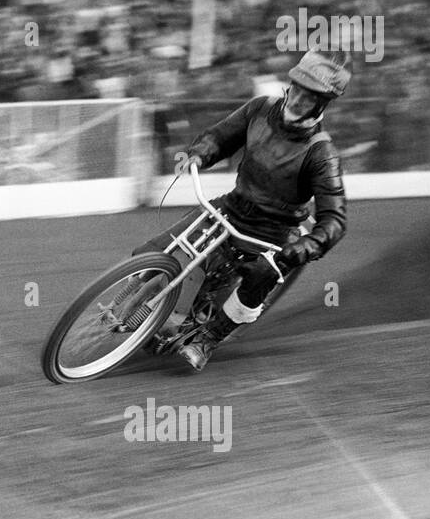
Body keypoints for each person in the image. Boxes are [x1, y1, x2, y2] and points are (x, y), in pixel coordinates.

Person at [132, 50, 352, 372]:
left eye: (310, 96)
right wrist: (200, 154)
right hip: (232, 207)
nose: (298, 99)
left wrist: (300, 249)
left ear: (322, 104)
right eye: (298, 87)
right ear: (290, 83)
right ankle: (134, 300)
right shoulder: (260, 108)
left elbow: (335, 221)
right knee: (149, 253)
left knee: (262, 276)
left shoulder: (322, 153)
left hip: (272, 234)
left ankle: (208, 339)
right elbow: (220, 136)